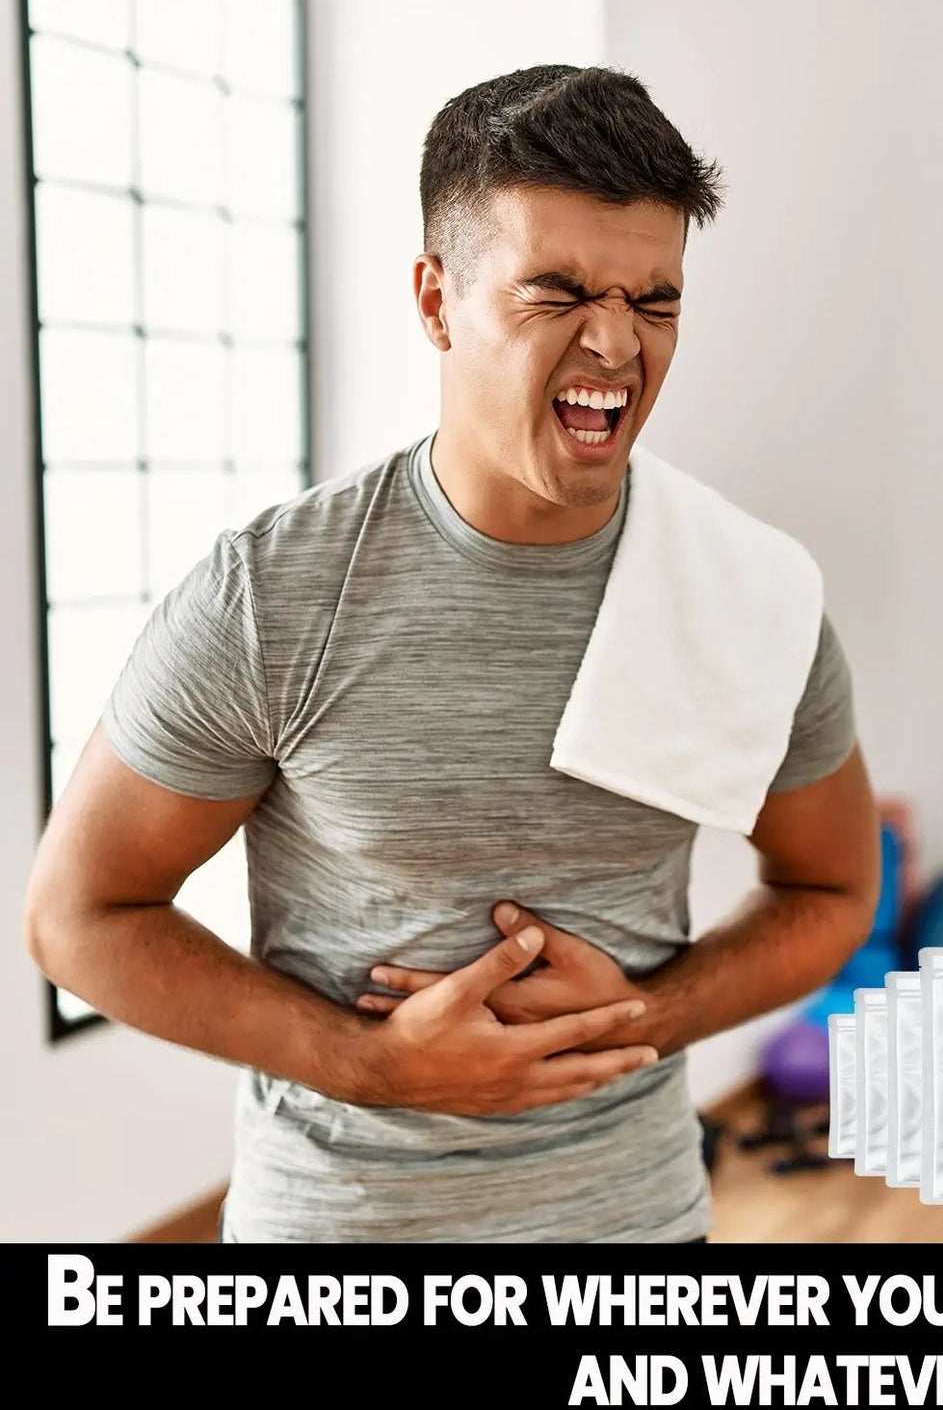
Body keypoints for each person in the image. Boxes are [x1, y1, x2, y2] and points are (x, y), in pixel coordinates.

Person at [24, 64, 880, 1244]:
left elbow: (834, 887)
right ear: (435, 299)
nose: (615, 343)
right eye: (559, 289)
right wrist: (371, 1064)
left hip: (634, 1232)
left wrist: (644, 1009)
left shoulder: (750, 592)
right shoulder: (272, 595)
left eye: (656, 299)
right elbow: (80, 917)